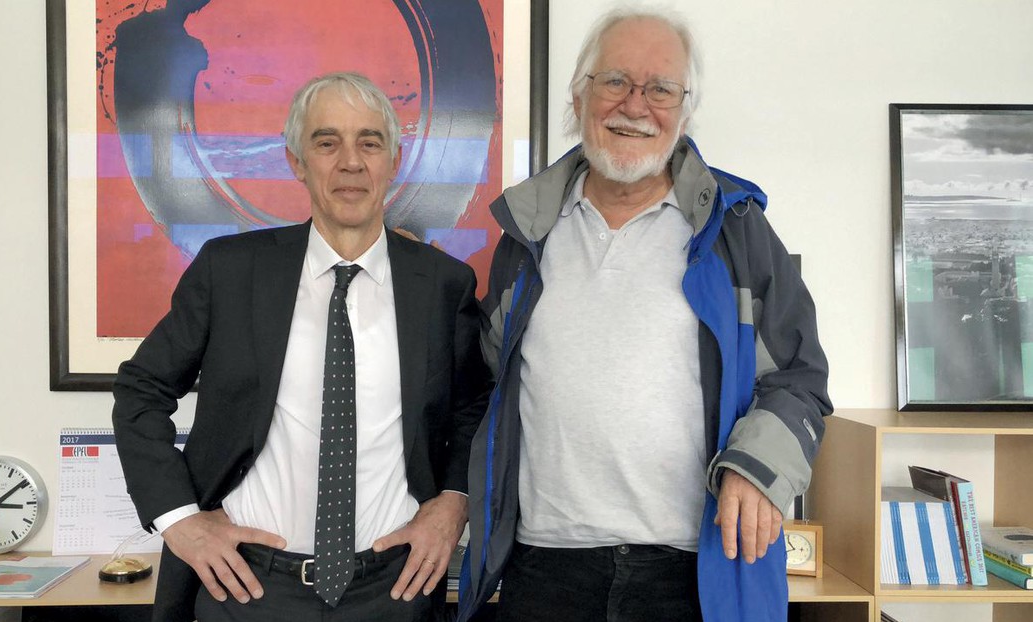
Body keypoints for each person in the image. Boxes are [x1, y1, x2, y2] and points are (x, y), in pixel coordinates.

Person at [455, 8, 832, 622]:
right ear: (578, 98)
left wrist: (754, 471)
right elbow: (488, 384)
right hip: (544, 566)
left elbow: (799, 379)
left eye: (661, 89)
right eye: (615, 82)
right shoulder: (526, 238)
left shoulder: (736, 232)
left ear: (684, 111)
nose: (636, 105)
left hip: (694, 570)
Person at [112, 72, 491, 622]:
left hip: (393, 593)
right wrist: (179, 520)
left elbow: (474, 409)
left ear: (394, 159)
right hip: (247, 591)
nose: (351, 162)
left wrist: (453, 503)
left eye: (370, 141)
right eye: (326, 142)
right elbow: (141, 390)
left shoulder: (444, 286)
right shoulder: (230, 271)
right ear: (296, 161)